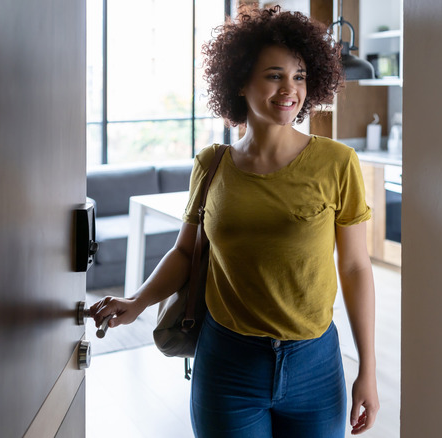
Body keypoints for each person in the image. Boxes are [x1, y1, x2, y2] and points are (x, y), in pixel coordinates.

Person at [90, 6, 379, 437]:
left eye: (299, 76)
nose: (290, 89)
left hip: (315, 365)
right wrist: (138, 301)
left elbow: (355, 267)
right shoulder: (211, 164)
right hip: (227, 363)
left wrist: (368, 370)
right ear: (240, 82)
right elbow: (185, 252)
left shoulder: (338, 163)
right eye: (274, 75)